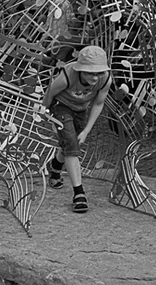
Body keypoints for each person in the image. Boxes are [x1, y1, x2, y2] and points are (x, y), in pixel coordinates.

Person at [42, 45, 112, 213]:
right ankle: (79, 193)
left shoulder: (105, 79)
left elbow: (98, 103)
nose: (94, 78)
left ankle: (55, 166)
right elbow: (50, 93)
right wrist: (44, 112)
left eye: (98, 73)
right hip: (60, 105)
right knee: (71, 145)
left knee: (70, 142)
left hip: (81, 109)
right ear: (80, 69)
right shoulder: (67, 75)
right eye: (89, 73)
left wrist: (86, 130)